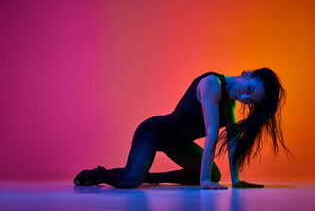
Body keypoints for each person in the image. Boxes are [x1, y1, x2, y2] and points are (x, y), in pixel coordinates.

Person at [74, 68, 293, 189]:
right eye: (249, 89)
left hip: (178, 144)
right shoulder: (212, 84)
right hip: (154, 132)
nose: (244, 97)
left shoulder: (231, 102)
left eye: (250, 100)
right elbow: (211, 134)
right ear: (247, 74)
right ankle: (94, 175)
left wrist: (235, 179)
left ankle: (151, 178)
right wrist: (203, 181)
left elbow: (233, 140)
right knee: (130, 180)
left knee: (214, 176)